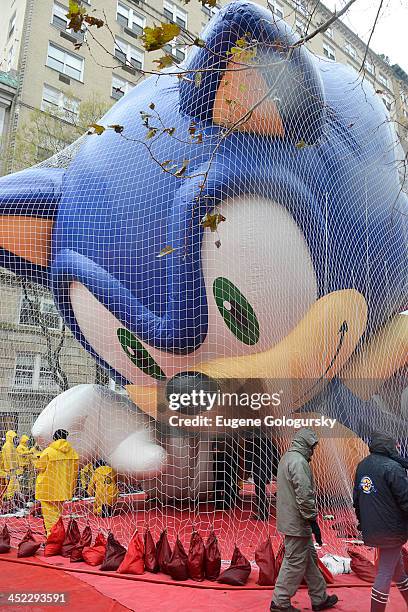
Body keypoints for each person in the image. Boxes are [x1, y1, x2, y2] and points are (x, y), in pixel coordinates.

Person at [270, 428, 338, 612]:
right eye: (313, 447)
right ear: (307, 445)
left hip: (291, 518)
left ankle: (319, 597)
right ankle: (280, 602)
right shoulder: (299, 462)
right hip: (297, 521)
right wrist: (312, 520)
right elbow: (305, 495)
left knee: (309, 559)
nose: (314, 451)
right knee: (294, 561)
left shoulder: (287, 457)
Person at [353, 431, 408, 612]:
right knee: (385, 572)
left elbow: (357, 499)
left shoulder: (362, 466)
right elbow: (405, 500)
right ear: (390, 447)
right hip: (391, 529)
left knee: (397, 569)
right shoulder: (393, 468)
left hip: (373, 527)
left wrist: (363, 523)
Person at [35, 429, 79, 535]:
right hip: (63, 489)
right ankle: (57, 536)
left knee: (50, 517)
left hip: (47, 489)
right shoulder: (73, 452)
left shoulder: (48, 451)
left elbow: (40, 467)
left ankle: (53, 539)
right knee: (57, 514)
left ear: (54, 438)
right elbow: (75, 471)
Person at [244, 433, 276, 521]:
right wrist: (275, 469)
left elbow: (249, 456)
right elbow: (275, 454)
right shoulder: (269, 440)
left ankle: (263, 514)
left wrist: (247, 470)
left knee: (260, 492)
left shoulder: (252, 440)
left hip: (258, 469)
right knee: (262, 491)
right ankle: (264, 511)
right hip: (267, 468)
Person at [212, 437, 240, 510]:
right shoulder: (230, 439)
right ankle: (221, 503)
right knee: (223, 484)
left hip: (226, 462)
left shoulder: (219, 438)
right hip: (224, 462)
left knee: (224, 484)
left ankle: (223, 503)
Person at [1, 430, 19, 501]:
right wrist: (11, 467)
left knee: (14, 483)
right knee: (11, 484)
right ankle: (9, 498)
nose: (15, 439)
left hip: (12, 468)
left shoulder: (10, 445)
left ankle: (11, 497)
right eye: (13, 437)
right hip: (10, 468)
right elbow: (9, 457)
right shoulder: (8, 445)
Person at [16, 434, 32, 501]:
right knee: (23, 482)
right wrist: (30, 452)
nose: (27, 442)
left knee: (26, 482)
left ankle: (26, 496)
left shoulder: (25, 447)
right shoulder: (20, 447)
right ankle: (23, 496)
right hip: (22, 467)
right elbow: (22, 454)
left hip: (26, 467)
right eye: (26, 441)